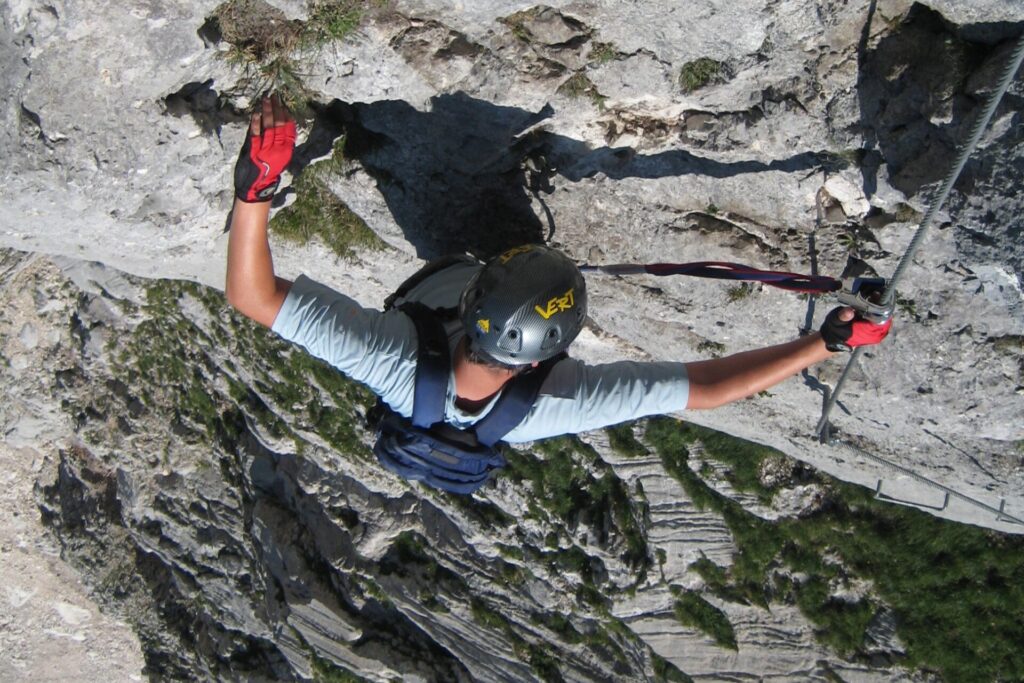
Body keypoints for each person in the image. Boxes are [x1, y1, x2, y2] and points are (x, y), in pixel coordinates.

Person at [225, 96, 892, 444]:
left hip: (433, 308)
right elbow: (708, 389)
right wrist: (823, 343)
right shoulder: (551, 406)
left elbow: (251, 296)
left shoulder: (392, 360)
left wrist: (256, 188)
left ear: (476, 291)